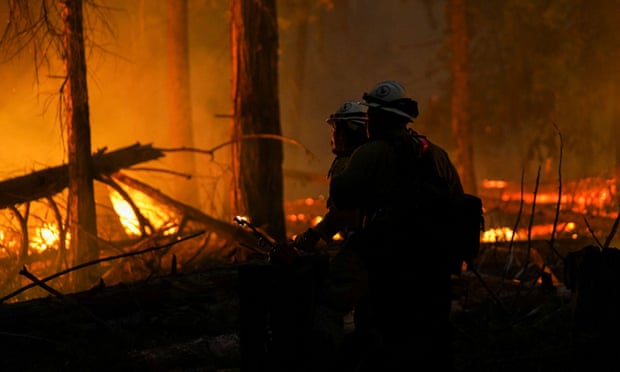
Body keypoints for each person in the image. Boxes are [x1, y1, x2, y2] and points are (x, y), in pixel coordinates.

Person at [329, 80, 464, 370]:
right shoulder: (435, 153)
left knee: (383, 338)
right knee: (431, 340)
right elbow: (459, 200)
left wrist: (342, 166)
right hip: (434, 267)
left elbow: (341, 196)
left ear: (377, 119)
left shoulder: (370, 153)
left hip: (388, 268)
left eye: (370, 116)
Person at [292, 100, 371, 372]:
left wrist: (314, 237)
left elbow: (344, 213)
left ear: (356, 131)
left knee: (328, 305)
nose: (334, 136)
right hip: (392, 248)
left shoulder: (352, 163)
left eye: (339, 130)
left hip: (368, 248)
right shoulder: (383, 158)